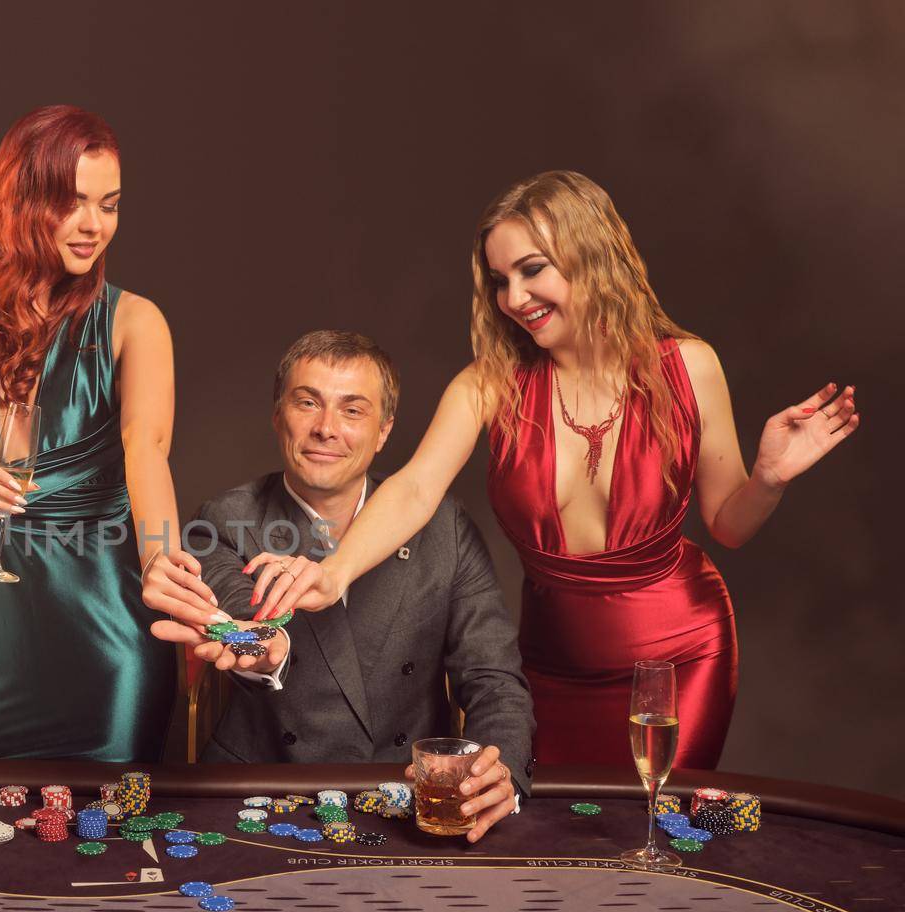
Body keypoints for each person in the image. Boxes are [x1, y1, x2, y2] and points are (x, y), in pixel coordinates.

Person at [188, 171, 860, 769]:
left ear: (590, 255)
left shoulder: (690, 365)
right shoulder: (490, 384)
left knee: (654, 846)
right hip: (554, 663)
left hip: (678, 654)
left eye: (532, 270)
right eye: (500, 280)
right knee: (563, 847)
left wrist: (768, 478)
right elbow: (417, 486)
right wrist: (330, 572)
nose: (514, 297)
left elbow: (728, 526)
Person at [0, 105, 202, 760]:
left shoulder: (135, 321)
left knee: (113, 836)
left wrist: (160, 563)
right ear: (19, 201)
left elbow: (147, 451)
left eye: (110, 204)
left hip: (109, 629)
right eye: (74, 202)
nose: (96, 225)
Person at [162, 330, 533, 841]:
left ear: (384, 431)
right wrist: (263, 648)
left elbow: (493, 677)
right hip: (263, 793)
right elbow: (242, 613)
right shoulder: (225, 519)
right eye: (307, 403)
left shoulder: (443, 527)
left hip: (408, 800)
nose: (326, 429)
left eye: (352, 411)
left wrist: (501, 767)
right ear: (277, 416)